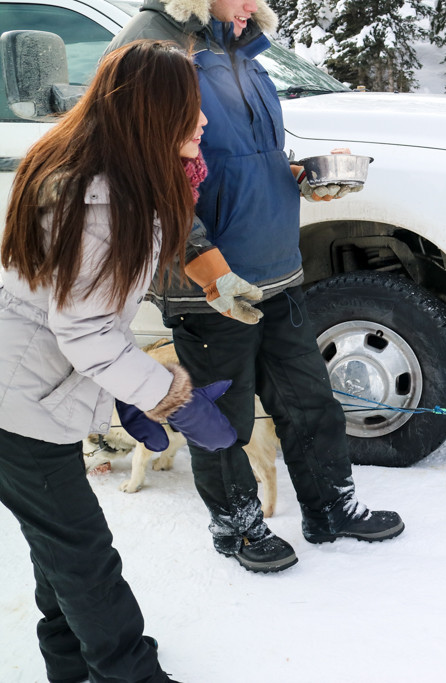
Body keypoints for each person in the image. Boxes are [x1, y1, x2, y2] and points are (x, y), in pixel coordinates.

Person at [107, 0, 405, 574]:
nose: (253, 7)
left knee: (309, 401)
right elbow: (144, 178)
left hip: (276, 269)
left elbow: (243, 157)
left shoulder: (240, 48)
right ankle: (239, 528)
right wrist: (208, 268)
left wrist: (295, 175)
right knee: (224, 418)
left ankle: (330, 508)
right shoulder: (155, 47)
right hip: (211, 285)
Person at [0, 39, 236, 683]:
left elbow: (75, 317)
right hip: (18, 406)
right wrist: (171, 397)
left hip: (26, 387)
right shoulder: (101, 204)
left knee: (61, 556)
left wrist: (118, 397)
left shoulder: (102, 177)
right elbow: (87, 332)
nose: (204, 121)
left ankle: (69, 668)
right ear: (153, 116)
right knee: (85, 561)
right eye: (191, 109)